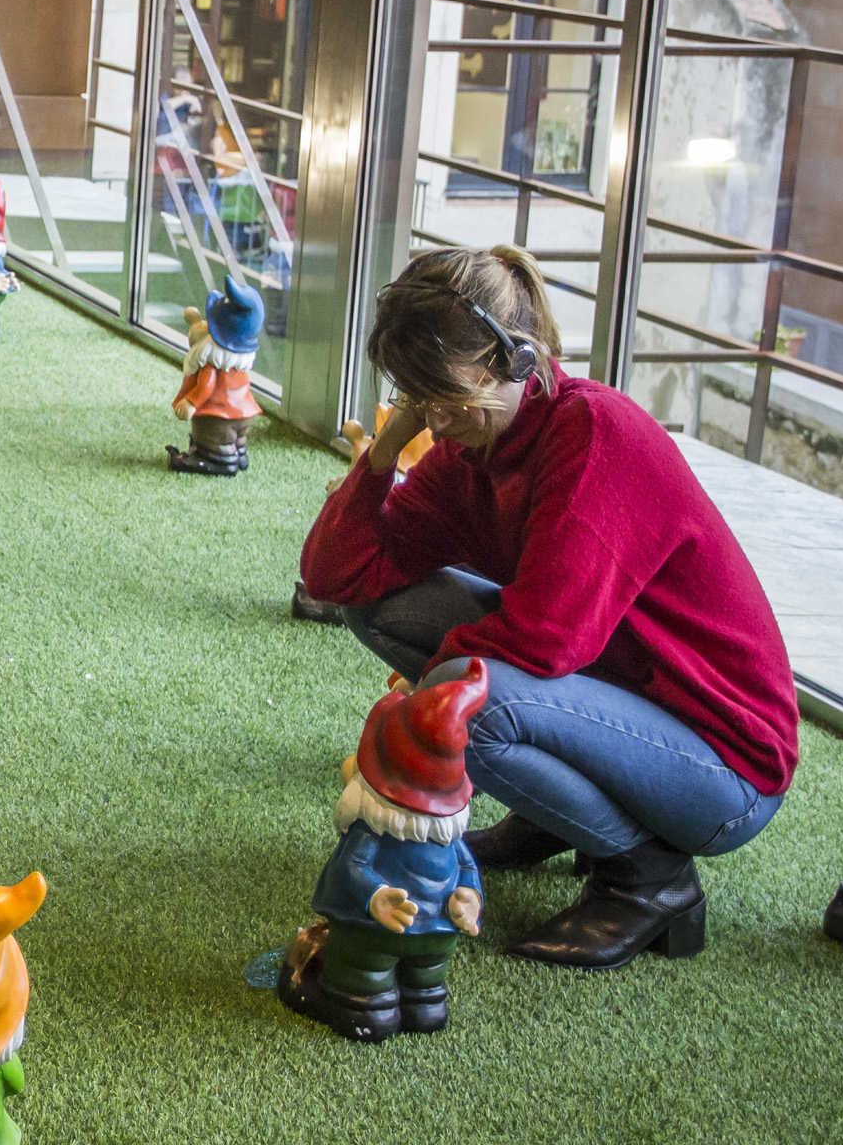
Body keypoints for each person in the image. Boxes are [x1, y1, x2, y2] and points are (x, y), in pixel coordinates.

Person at [297, 244, 796, 971]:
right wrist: (382, 454)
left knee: (471, 705)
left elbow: (548, 637)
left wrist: (424, 705)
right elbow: (337, 576)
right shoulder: (468, 454)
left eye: (447, 394)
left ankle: (651, 882)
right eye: (416, 394)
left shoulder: (595, 435)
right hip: (624, 702)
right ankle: (550, 817)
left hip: (725, 766)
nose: (435, 418)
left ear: (517, 361)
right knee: (382, 611)